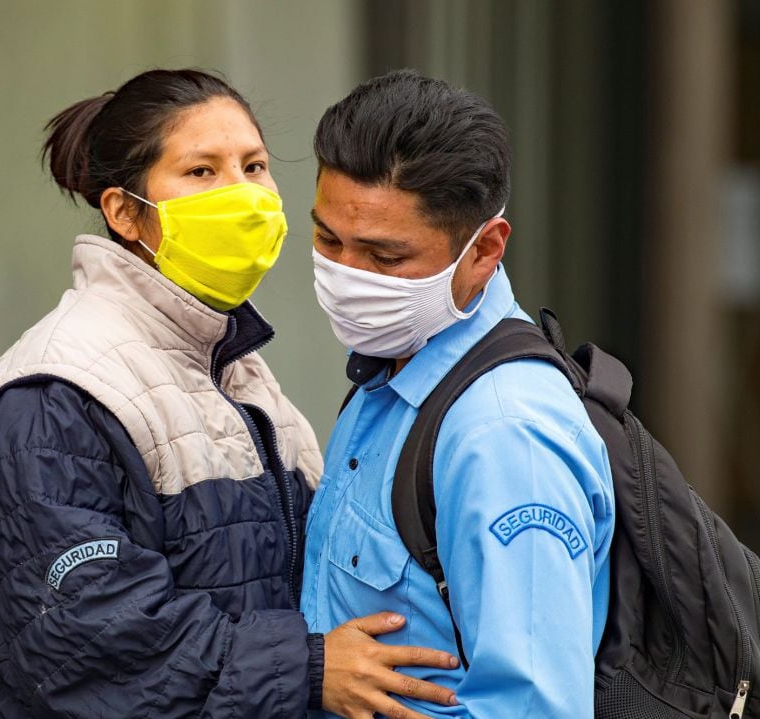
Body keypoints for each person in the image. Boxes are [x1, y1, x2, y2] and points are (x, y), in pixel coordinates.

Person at [0, 68, 459, 718]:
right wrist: (309, 665)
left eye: (254, 164)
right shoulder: (58, 387)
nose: (242, 194)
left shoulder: (232, 369)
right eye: (202, 172)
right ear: (125, 212)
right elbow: (88, 636)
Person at [301, 70, 616, 718]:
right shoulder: (395, 369)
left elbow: (534, 710)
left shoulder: (504, 436)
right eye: (329, 239)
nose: (346, 276)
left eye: (385, 258)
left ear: (483, 251)